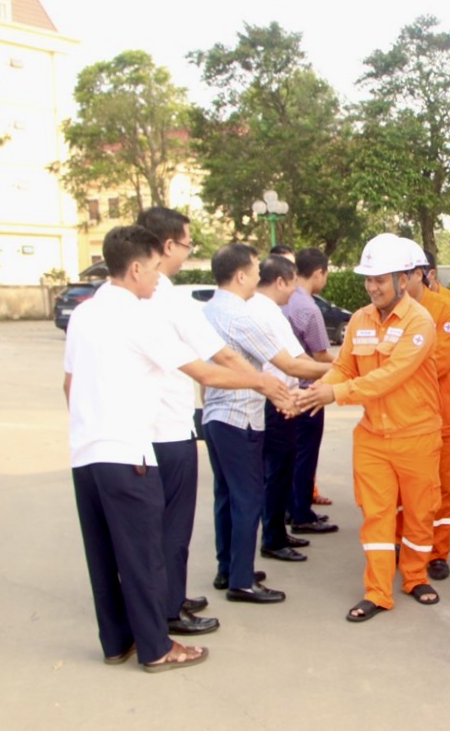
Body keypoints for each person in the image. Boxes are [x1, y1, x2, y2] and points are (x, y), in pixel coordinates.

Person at [64, 225, 290, 672]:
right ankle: (156, 648)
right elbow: (205, 373)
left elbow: (69, 385)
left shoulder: (85, 314)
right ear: (134, 269)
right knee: (143, 557)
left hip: (86, 456)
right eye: (152, 269)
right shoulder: (138, 316)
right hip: (128, 454)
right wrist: (264, 381)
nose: (156, 278)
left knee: (104, 556)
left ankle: (116, 643)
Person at [296, 234, 443, 623]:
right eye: (368, 279)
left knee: (418, 513)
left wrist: (335, 393)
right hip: (373, 439)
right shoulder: (360, 319)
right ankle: (377, 592)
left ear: (402, 279)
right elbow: (344, 366)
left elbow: (390, 377)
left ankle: (415, 576)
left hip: (417, 435)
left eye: (380, 279)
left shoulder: (420, 322)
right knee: (376, 517)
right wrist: (317, 388)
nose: (372, 287)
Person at [133, 206, 262, 637]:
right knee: (173, 524)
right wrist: (265, 383)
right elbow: (216, 358)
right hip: (169, 428)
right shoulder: (167, 296)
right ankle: (170, 608)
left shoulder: (127, 297)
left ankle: (170, 594)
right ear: (167, 246)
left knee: (160, 522)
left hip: (142, 428)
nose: (188, 253)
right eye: (188, 244)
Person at [200, 243, 330, 603]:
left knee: (227, 496)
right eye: (256, 270)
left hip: (215, 415)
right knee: (248, 498)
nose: (260, 277)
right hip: (239, 417)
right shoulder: (242, 317)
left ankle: (228, 568)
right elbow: (290, 366)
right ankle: (242, 580)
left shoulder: (209, 310)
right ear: (240, 275)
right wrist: (344, 369)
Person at [249, 255, 331, 564]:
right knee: (278, 471)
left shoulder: (266, 310)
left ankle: (278, 533)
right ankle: (272, 537)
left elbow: (297, 358)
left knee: (281, 469)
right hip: (277, 400)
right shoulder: (267, 313)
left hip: (278, 396)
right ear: (281, 282)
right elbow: (294, 362)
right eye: (292, 283)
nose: (294, 291)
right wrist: (343, 374)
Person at [401, 240, 450, 580]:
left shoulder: (446, 311)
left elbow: (436, 363)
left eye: (402, 275)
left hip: (445, 416)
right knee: (409, 487)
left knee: (445, 485)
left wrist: (394, 363)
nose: (395, 283)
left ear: (419, 275)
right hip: (406, 419)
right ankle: (409, 543)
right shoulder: (388, 312)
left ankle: (437, 552)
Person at [282, 247, 339, 533]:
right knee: (306, 454)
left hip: (285, 390)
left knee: (291, 454)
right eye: (325, 275)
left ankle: (291, 508)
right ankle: (302, 514)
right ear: (318, 273)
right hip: (308, 391)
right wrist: (346, 363)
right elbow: (319, 355)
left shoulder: (282, 300)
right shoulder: (308, 308)